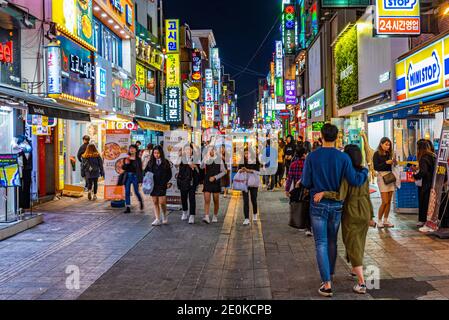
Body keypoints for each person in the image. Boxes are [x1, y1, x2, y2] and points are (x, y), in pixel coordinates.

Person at [301, 123, 368, 297]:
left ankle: (327, 283)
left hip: (318, 204)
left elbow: (306, 182)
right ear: (337, 137)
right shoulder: (343, 158)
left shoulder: (312, 157)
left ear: (321, 137)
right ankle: (330, 273)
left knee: (321, 243)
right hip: (337, 206)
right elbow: (354, 179)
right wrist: (365, 172)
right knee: (332, 241)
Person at [313, 145, 373, 294]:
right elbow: (367, 195)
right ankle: (354, 269)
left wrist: (324, 193)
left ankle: (362, 283)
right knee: (359, 242)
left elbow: (340, 196)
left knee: (352, 245)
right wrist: (371, 216)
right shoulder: (365, 174)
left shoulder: (347, 176)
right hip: (365, 211)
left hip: (351, 213)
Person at [285, 146, 312, 236]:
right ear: (304, 154)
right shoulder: (308, 164)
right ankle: (308, 227)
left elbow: (289, 178)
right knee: (308, 207)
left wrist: (287, 190)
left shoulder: (293, 164)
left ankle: (301, 224)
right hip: (307, 189)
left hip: (297, 190)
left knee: (299, 206)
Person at [145, 145, 173, 226]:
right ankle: (157, 218)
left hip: (162, 184)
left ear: (161, 153)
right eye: (154, 153)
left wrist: (167, 182)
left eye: (158, 153)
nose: (156, 154)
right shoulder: (150, 162)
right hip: (153, 185)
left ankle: (164, 215)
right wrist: (146, 176)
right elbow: (145, 171)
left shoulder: (165, 162)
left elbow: (169, 174)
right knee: (155, 201)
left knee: (162, 202)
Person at [412, 139, 436, 228]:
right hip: (434, 182)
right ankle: (429, 220)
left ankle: (423, 220)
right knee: (431, 202)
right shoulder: (433, 155)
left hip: (426, 183)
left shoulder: (424, 157)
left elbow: (423, 172)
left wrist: (415, 176)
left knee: (424, 201)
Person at [373, 137, 396, 228]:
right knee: (385, 201)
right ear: (381, 144)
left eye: (389, 144)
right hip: (382, 177)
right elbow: (376, 167)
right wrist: (386, 162)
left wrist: (394, 162)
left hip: (390, 176)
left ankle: (386, 220)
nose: (388, 146)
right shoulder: (376, 154)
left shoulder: (389, 154)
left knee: (389, 201)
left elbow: (391, 167)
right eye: (386, 144)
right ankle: (379, 220)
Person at [201, 145, 227, 224]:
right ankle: (206, 216)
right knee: (207, 199)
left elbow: (224, 171)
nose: (210, 151)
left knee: (216, 200)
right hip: (207, 181)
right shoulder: (207, 158)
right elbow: (201, 167)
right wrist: (205, 158)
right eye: (209, 150)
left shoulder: (219, 159)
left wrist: (215, 177)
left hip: (216, 181)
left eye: (212, 150)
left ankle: (215, 215)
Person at [178, 144, 200, 224]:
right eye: (186, 149)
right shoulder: (182, 158)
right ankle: (184, 211)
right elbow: (177, 165)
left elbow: (199, 171)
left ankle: (192, 215)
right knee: (183, 197)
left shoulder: (196, 159)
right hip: (183, 181)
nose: (188, 151)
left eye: (190, 149)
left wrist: (195, 167)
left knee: (192, 198)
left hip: (192, 182)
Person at [238, 148, 261, 225]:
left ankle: (254, 213)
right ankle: (246, 218)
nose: (246, 155)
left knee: (253, 199)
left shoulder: (256, 161)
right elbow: (238, 170)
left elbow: (258, 172)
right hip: (245, 183)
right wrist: (241, 170)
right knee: (245, 200)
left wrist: (248, 170)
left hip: (254, 183)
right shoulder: (242, 161)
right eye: (245, 154)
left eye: (248, 153)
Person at [122, 144, 144, 214]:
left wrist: (140, 180)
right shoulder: (127, 158)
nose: (131, 149)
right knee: (127, 192)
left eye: (133, 148)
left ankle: (140, 201)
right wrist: (126, 163)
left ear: (136, 150)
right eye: (130, 148)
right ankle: (128, 207)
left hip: (135, 176)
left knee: (136, 191)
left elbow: (140, 170)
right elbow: (123, 168)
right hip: (128, 176)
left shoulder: (138, 159)